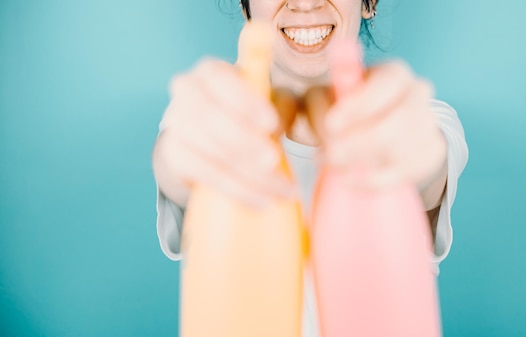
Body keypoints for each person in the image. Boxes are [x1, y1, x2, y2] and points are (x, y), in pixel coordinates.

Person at [152, 0, 468, 336]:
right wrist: (179, 157)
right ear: (246, 7)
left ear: (369, 3)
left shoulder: (420, 119)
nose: (304, 3)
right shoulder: (207, 120)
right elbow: (178, 163)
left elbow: (426, 169)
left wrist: (409, 153)